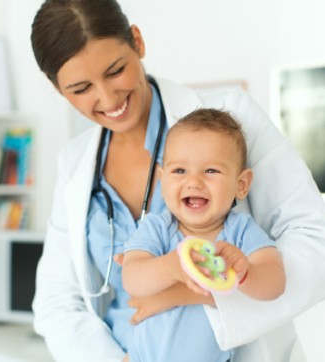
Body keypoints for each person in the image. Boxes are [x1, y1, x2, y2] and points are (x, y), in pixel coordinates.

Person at [30, 1, 325, 361]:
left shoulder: (232, 117)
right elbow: (57, 299)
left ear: (137, 41)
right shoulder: (74, 163)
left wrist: (200, 293)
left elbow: (323, 247)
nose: (107, 98)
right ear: (56, 87)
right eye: (81, 88)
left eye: (116, 70)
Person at [122, 108, 286, 362]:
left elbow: (275, 284)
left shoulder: (240, 231)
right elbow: (132, 279)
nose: (194, 182)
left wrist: (246, 273)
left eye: (211, 171)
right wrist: (170, 266)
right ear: (161, 180)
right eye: (179, 171)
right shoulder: (158, 228)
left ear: (241, 185)